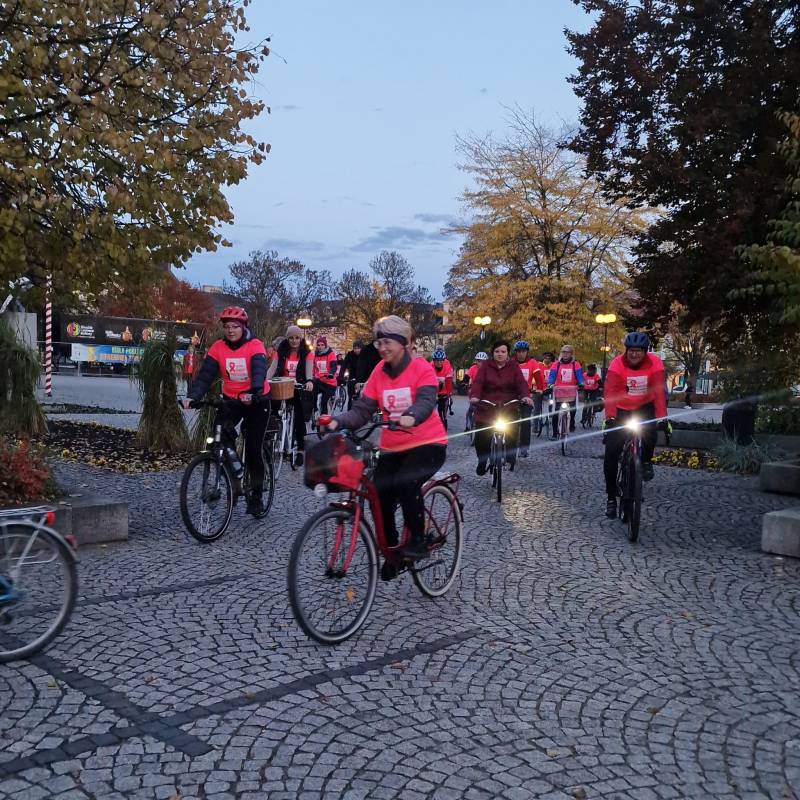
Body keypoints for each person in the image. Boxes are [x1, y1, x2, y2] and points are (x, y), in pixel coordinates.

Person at [324, 315, 447, 561]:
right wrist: (338, 421)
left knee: (406, 482)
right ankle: (391, 550)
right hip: (393, 447)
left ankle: (419, 540)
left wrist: (412, 415)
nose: (382, 348)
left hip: (428, 444)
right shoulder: (379, 372)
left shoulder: (421, 367)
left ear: (405, 343)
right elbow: (362, 410)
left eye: (387, 342)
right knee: (379, 492)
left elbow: (426, 400)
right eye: (378, 343)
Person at [184, 307, 270, 516]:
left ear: (243, 327)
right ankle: (234, 471)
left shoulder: (255, 345)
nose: (231, 330)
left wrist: (255, 391)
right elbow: (205, 376)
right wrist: (192, 396)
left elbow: (259, 370)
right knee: (218, 438)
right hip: (232, 400)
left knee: (253, 449)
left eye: (235, 327)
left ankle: (257, 496)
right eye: (227, 327)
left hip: (257, 400)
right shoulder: (218, 347)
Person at [602, 332, 669, 518]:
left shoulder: (655, 363)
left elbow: (659, 392)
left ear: (645, 351)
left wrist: (662, 418)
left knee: (650, 431)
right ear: (626, 350)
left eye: (638, 351)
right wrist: (610, 417)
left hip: (644, 406)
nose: (634, 354)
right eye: (631, 350)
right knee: (611, 452)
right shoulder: (616, 365)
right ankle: (611, 497)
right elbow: (610, 392)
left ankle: (646, 461)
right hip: (621, 409)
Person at [469, 340, 533, 474]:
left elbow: (521, 383)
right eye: (497, 351)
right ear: (492, 353)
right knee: (482, 435)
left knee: (513, 428)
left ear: (507, 353)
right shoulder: (485, 366)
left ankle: (510, 455)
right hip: (487, 404)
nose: (500, 354)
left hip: (508, 404)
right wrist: (475, 396)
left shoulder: (514, 366)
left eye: (503, 351)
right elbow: (478, 383)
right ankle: (482, 460)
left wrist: (525, 396)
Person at [267, 325, 314, 466]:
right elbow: (272, 369)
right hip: (282, 386)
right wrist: (264, 380)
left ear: (301, 339)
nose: (294, 341)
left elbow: (309, 371)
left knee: (299, 418)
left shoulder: (307, 353)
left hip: (298, 387)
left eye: (297, 338)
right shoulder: (281, 351)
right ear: (287, 339)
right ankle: (270, 441)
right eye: (291, 338)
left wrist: (309, 381)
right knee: (272, 410)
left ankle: (300, 450)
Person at [512, 341, 543, 457]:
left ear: (527, 352)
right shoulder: (511, 363)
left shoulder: (532, 363)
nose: (521, 354)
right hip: (512, 396)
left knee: (525, 421)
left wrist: (540, 389)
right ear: (515, 352)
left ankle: (524, 448)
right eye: (519, 351)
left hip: (526, 396)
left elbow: (538, 378)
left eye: (523, 351)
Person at [547, 345, 584, 436]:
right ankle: (555, 433)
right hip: (559, 391)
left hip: (571, 391)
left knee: (573, 410)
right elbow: (552, 375)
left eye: (567, 352)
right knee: (556, 412)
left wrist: (581, 384)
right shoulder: (556, 364)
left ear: (571, 354)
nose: (565, 354)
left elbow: (579, 376)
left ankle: (571, 421)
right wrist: (550, 384)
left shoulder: (576, 364)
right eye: (563, 352)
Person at [311, 336, 338, 419]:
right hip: (320, 381)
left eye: (322, 345)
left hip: (329, 383)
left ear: (325, 345)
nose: (320, 347)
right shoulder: (315, 355)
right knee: (312, 392)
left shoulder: (331, 354)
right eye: (318, 345)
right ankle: (315, 411)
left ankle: (324, 420)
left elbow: (334, 366)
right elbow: (313, 368)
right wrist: (311, 376)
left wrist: (331, 373)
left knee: (324, 401)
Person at [464, 352, 488, 431]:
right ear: (476, 361)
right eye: (479, 361)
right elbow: (467, 377)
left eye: (483, 361)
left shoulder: (489, 369)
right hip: (474, 390)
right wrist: (464, 382)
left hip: (485, 391)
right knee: (472, 408)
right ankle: (468, 426)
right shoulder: (473, 368)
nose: (481, 363)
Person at [430, 348, 454, 430]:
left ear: (444, 360)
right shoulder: (430, 366)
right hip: (433, 392)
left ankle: (444, 428)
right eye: (437, 361)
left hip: (444, 392)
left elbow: (449, 382)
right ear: (433, 361)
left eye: (441, 361)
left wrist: (449, 394)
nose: (439, 363)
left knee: (443, 413)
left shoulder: (447, 366)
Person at [340, 340, 363, 409]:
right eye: (355, 348)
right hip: (352, 376)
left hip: (363, 376)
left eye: (358, 348)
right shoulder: (350, 354)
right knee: (351, 397)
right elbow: (343, 365)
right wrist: (341, 377)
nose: (356, 350)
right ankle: (350, 410)